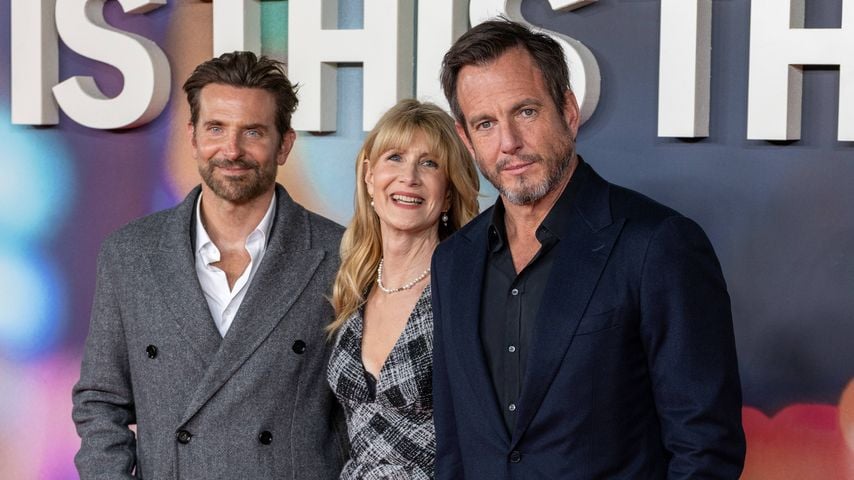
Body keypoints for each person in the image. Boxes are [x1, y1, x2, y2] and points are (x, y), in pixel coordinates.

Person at [430, 19, 746, 478]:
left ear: (569, 111)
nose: (509, 143)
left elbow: (705, 447)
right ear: (466, 139)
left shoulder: (657, 244)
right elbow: (455, 445)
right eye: (485, 123)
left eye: (526, 112)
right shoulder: (453, 261)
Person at [72, 52, 348, 479]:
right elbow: (100, 402)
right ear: (193, 136)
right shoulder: (129, 254)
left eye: (253, 132)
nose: (232, 150)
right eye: (216, 128)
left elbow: (363, 407)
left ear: (284, 144)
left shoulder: (341, 253)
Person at [326, 99, 480, 479]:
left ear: (447, 193)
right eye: (394, 157)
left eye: (429, 164)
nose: (409, 177)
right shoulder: (354, 283)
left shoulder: (467, 290)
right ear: (368, 176)